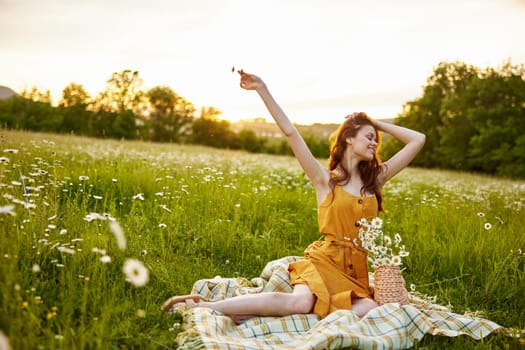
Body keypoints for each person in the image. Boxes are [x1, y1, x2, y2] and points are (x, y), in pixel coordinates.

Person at [161, 70, 426, 322]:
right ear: (348, 139)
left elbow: (418, 139)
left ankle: (256, 313)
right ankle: (202, 306)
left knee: (369, 308)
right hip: (325, 262)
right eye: (369, 137)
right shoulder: (325, 180)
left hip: (355, 273)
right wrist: (262, 89)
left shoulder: (374, 180)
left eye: (375, 140)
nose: (374, 143)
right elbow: (290, 132)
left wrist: (375, 123)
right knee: (300, 303)